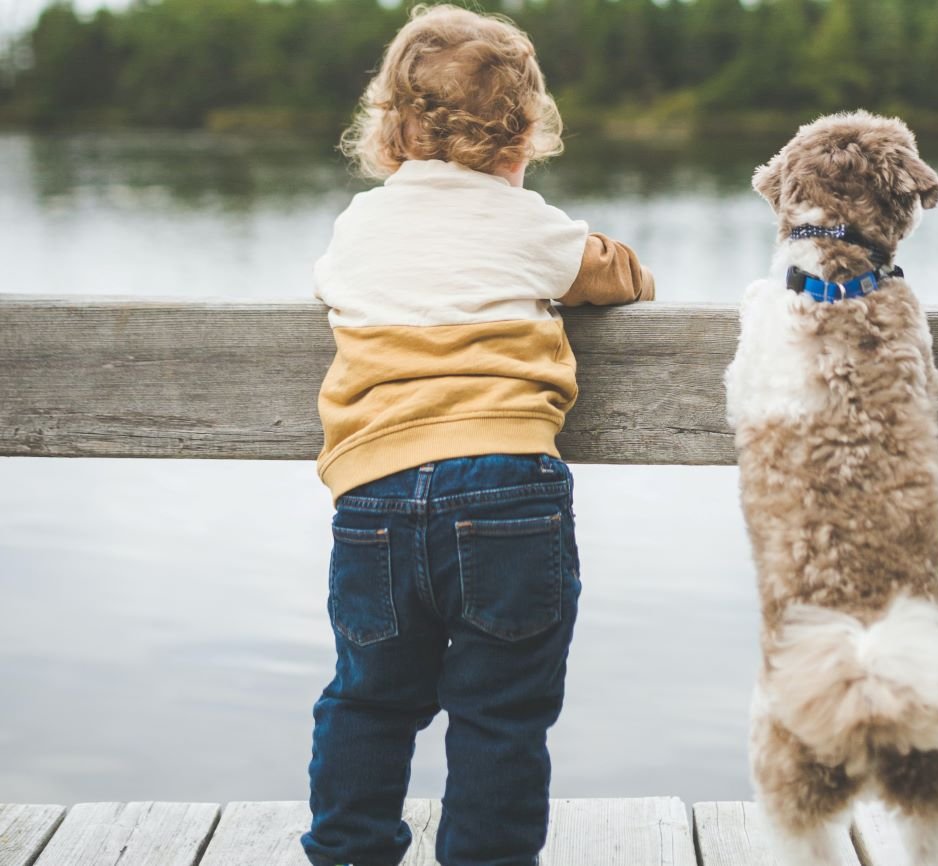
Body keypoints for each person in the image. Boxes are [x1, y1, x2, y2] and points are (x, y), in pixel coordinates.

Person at [300, 6, 654, 865]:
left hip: (375, 496)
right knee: (501, 714)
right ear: (525, 130)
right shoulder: (528, 223)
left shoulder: (358, 225)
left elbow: (332, 287)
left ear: (389, 130)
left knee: (368, 699)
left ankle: (349, 853)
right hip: (505, 490)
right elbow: (621, 277)